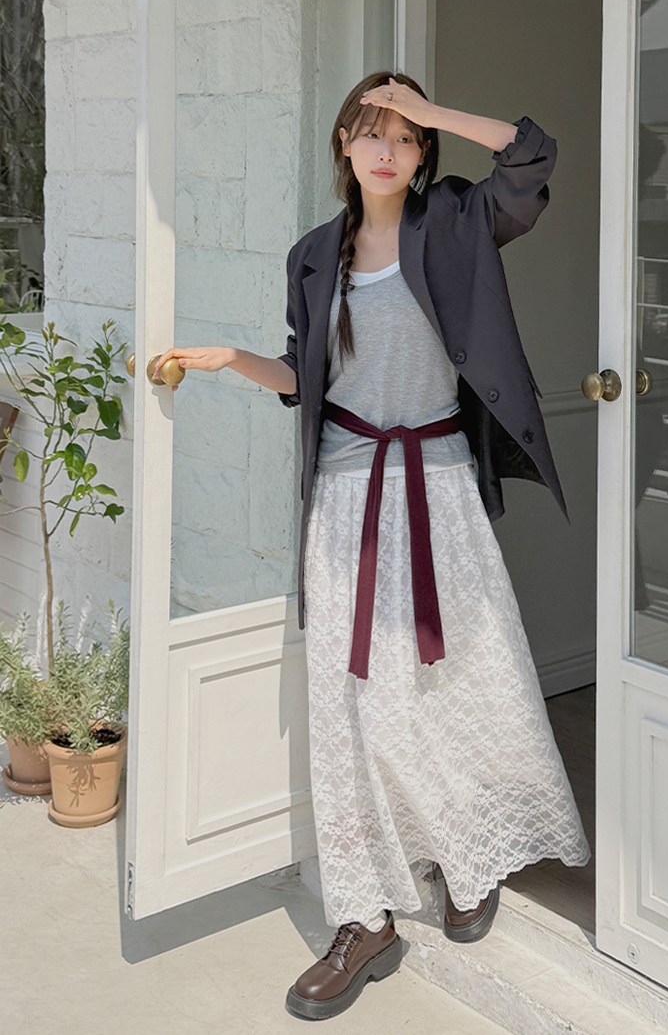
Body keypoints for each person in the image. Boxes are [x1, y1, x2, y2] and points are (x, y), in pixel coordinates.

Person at [154, 72, 590, 1022]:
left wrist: (433, 109)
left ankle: (468, 857)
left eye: (405, 134)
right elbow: (305, 373)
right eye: (369, 132)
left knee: (458, 680)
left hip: (439, 488)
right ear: (344, 148)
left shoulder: (458, 224)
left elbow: (532, 157)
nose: (386, 149)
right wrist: (232, 361)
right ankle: (364, 916)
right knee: (353, 707)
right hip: (348, 498)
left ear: (424, 150)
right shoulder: (315, 256)